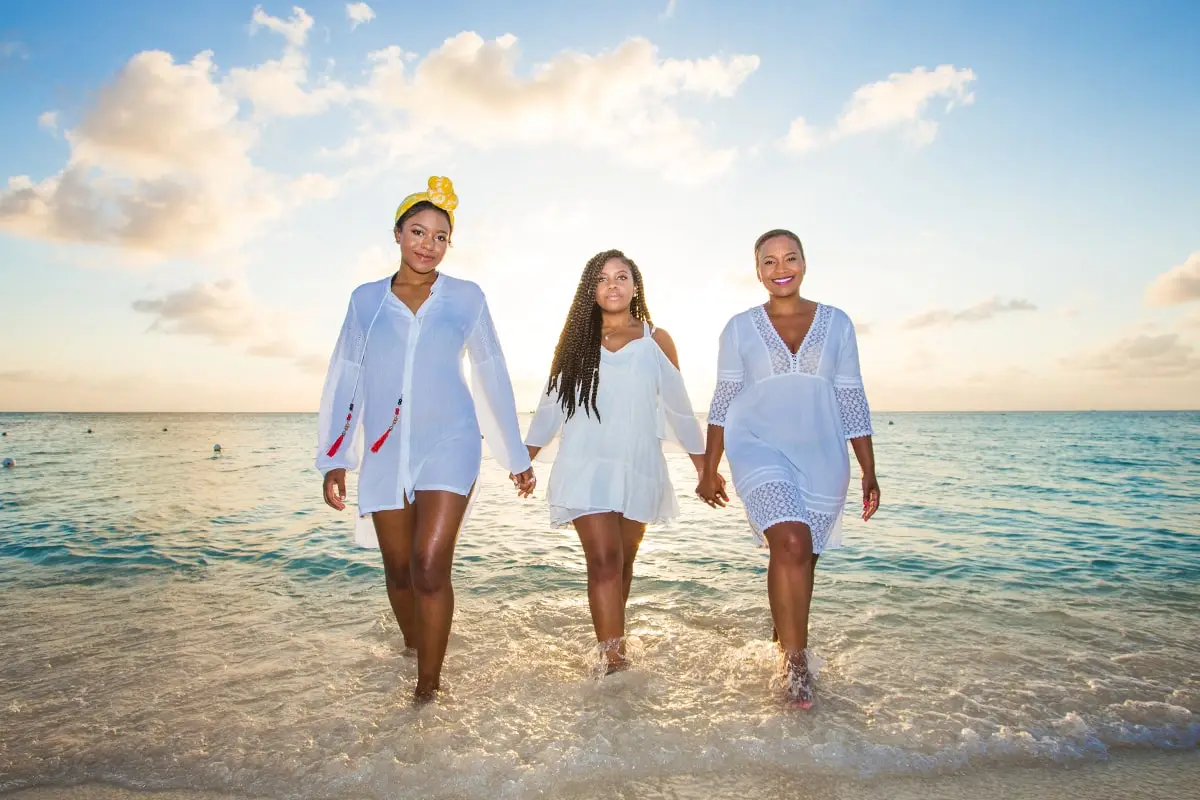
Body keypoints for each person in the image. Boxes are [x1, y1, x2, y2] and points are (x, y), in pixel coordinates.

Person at [316, 176, 536, 703]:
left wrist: (514, 452)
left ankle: (427, 691)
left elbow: (490, 370)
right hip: (384, 449)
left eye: (440, 236)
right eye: (418, 231)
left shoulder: (466, 297)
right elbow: (345, 374)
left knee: (431, 564)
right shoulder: (366, 301)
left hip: (451, 440)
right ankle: (415, 647)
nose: (427, 244)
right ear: (397, 233)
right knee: (398, 569)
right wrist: (334, 456)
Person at [696, 229, 879, 708]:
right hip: (756, 444)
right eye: (770, 262)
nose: (781, 269)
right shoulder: (739, 327)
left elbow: (851, 396)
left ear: (804, 263)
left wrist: (868, 469)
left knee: (803, 559)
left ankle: (784, 642)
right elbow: (724, 397)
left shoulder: (837, 323)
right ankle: (796, 670)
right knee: (791, 541)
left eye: (790, 258)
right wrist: (708, 466)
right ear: (757, 271)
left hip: (823, 453)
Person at [524, 249, 724, 673]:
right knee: (604, 561)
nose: (612, 285)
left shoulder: (657, 340)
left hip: (637, 464)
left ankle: (613, 639)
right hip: (584, 464)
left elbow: (679, 409)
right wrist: (525, 457)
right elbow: (549, 406)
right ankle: (613, 665)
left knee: (624, 561)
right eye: (602, 278)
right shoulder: (575, 341)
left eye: (621, 277)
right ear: (590, 290)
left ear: (636, 286)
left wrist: (705, 469)